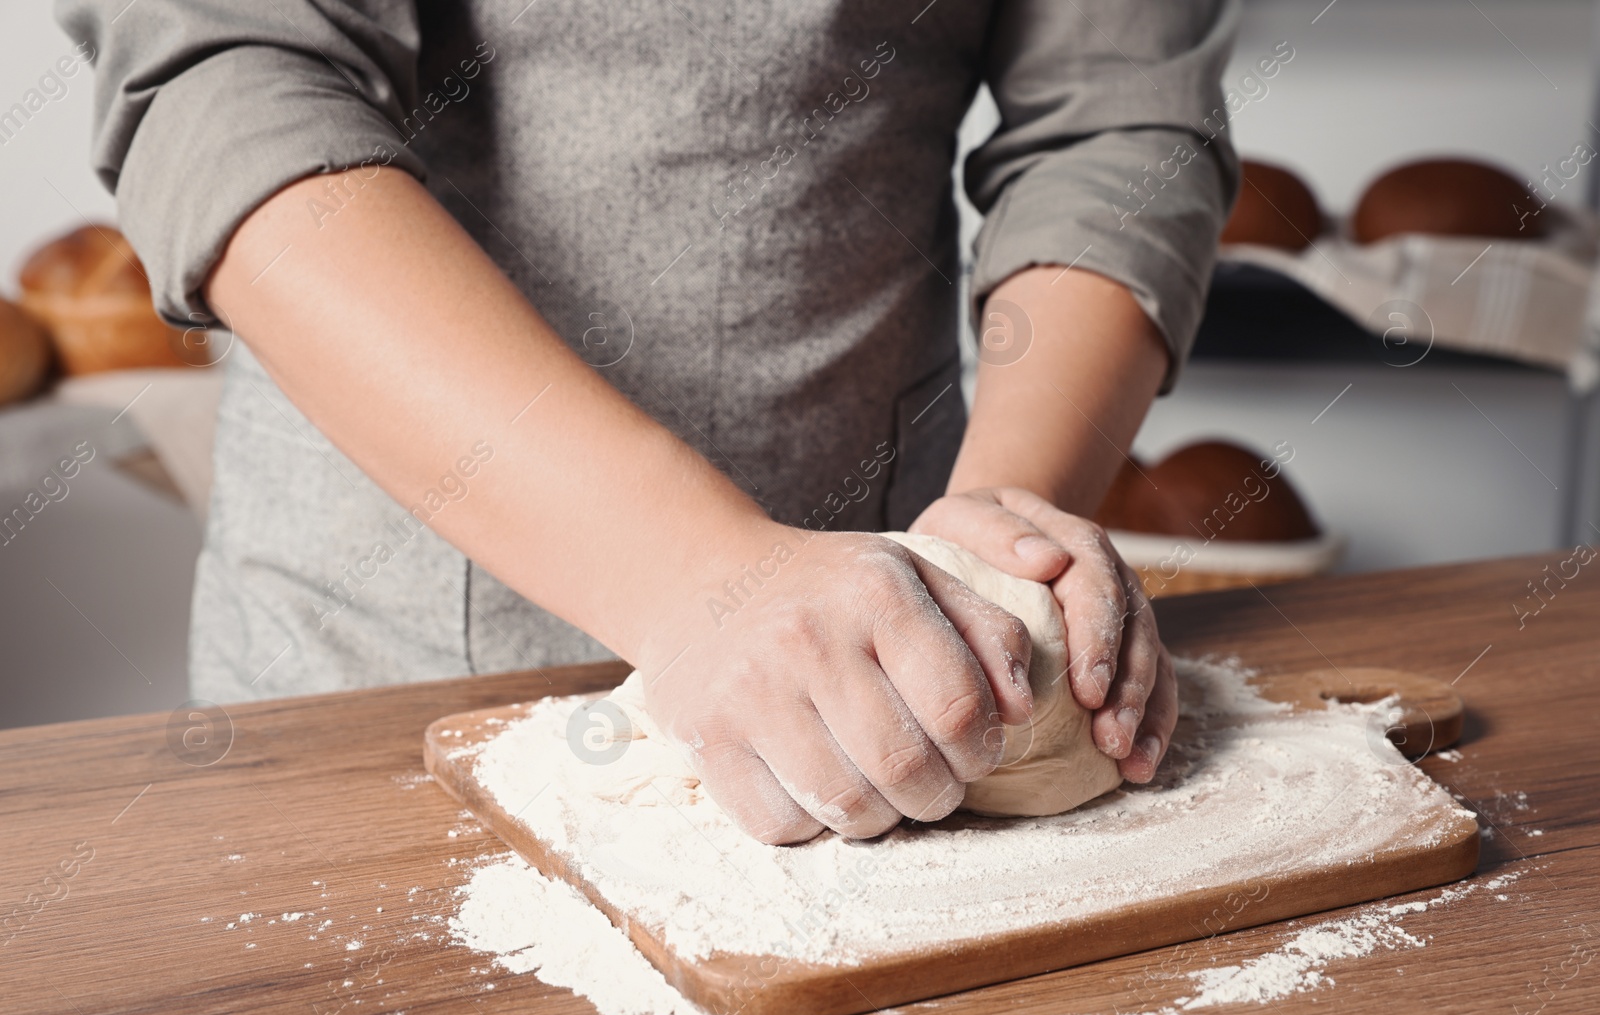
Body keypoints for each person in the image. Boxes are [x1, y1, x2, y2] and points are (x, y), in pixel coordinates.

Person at [65, 0, 1239, 843]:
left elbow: (1110, 116)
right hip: (382, 665)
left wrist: (987, 537)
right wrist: (690, 575)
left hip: (907, 647)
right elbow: (224, 81)